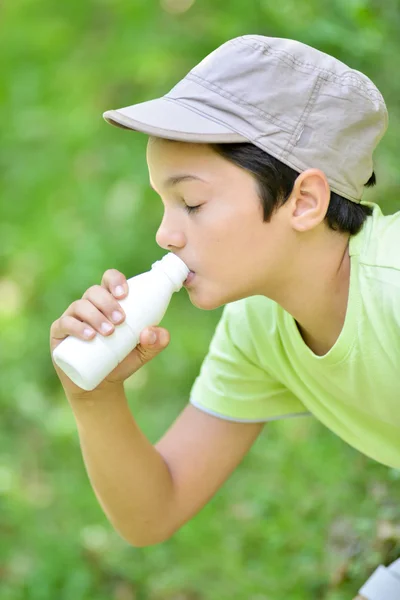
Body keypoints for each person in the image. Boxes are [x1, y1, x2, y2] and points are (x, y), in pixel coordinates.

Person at [50, 35, 400, 599]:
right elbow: (153, 512)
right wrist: (94, 397)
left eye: (191, 203)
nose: (165, 234)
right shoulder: (257, 326)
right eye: (163, 205)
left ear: (305, 201)